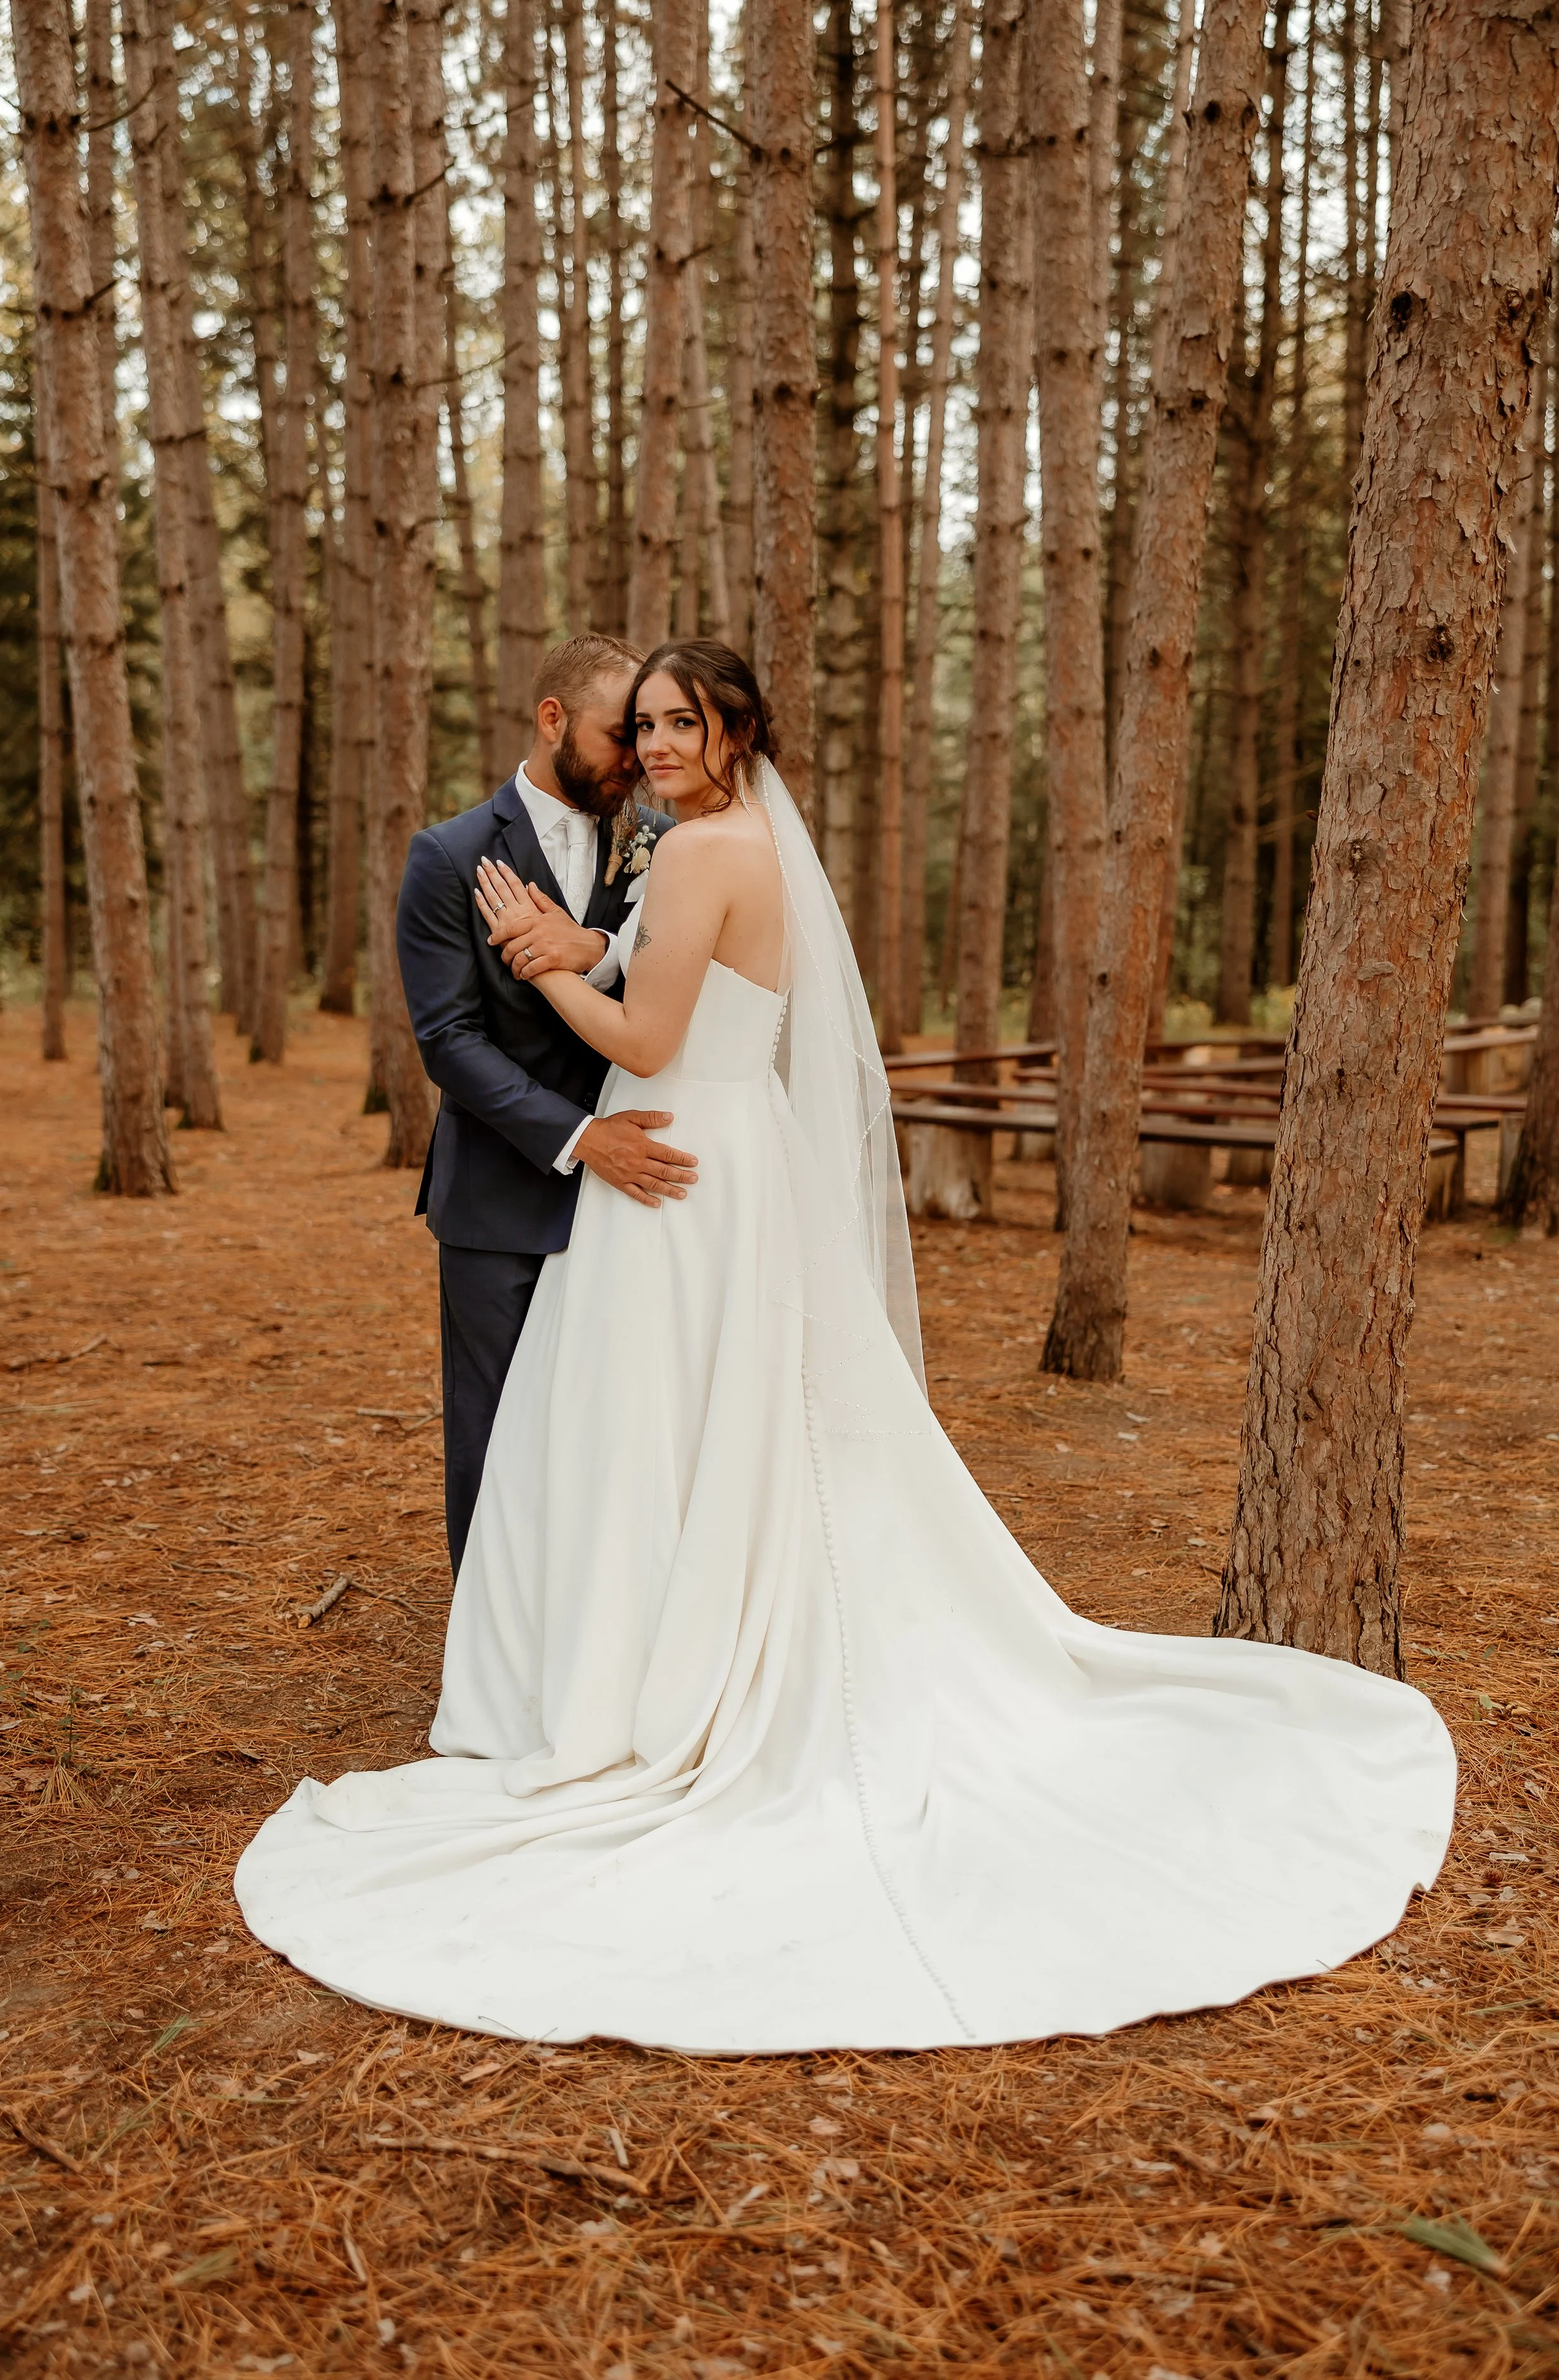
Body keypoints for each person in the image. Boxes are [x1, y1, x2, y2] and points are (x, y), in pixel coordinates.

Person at [237, 640, 1456, 2055]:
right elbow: (608, 986)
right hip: (703, 1161)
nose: (656, 746)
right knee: (688, 1428)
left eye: (680, 723)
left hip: (671, 1165)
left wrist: (544, 961)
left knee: (669, 1424)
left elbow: (645, 1024)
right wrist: (576, 947)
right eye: (643, 725)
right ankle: (622, 1665)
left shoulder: (693, 851)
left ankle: (652, 1684)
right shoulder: (699, 842)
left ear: (732, 729)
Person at [393, 632, 697, 1578]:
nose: (641, 757)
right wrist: (577, 1136)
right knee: (493, 1433)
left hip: (635, 1196)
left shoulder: (667, 846)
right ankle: (490, 1661)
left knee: (612, 1431)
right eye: (623, 733)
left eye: (653, 732)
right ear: (553, 719)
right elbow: (448, 1039)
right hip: (501, 1195)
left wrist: (594, 943)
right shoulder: (447, 857)